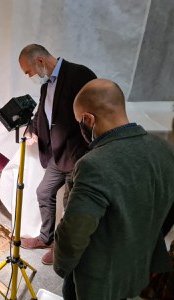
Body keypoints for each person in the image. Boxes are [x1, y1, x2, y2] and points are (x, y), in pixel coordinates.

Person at [53, 78, 174, 300]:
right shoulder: (164, 150)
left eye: (80, 121)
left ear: (88, 119)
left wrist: (62, 266)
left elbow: (74, 233)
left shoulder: (94, 164)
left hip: (99, 281)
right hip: (140, 268)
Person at [18, 44, 97, 265]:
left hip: (78, 155)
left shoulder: (79, 75)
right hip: (58, 153)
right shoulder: (46, 87)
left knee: (70, 206)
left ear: (40, 61)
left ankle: (60, 248)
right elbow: (43, 112)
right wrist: (32, 129)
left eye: (29, 71)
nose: (30, 76)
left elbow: (94, 113)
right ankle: (46, 238)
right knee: (44, 192)